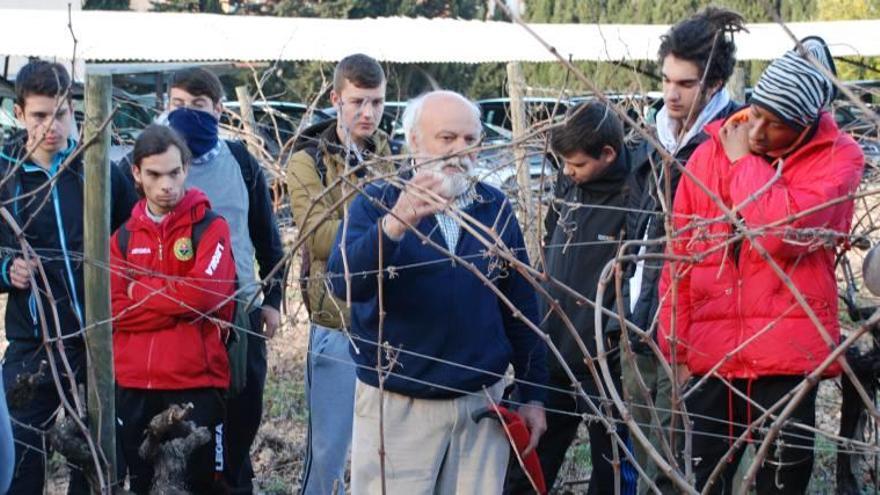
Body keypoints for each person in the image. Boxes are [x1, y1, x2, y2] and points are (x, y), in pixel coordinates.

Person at [659, 36, 864, 494]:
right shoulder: (711, 149)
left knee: (781, 484)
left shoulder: (838, 159)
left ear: (808, 123)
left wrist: (742, 164)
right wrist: (674, 344)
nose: (756, 133)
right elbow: (681, 256)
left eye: (775, 125)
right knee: (695, 481)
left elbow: (779, 233)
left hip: (786, 359)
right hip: (712, 355)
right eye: (756, 114)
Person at [327, 90, 547, 494]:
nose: (460, 151)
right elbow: (343, 282)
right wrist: (394, 225)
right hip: (399, 407)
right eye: (447, 138)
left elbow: (520, 304)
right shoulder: (377, 202)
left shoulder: (491, 206)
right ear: (414, 141)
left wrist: (533, 392)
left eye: (470, 140)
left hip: (480, 405)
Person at [121, 67, 285, 493]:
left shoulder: (241, 162)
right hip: (164, 331)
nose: (186, 113)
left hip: (238, 317)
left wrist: (273, 299)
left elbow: (268, 240)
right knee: (172, 445)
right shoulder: (142, 165)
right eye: (177, 104)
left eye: (198, 105)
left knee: (236, 428)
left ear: (218, 110)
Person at [607, 8, 744, 492]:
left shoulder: (734, 140)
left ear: (715, 81)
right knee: (644, 460)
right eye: (666, 79)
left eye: (685, 83)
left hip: (696, 330)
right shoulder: (652, 136)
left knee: (683, 464)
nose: (671, 93)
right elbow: (634, 225)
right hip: (640, 319)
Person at [0, 60, 137, 494]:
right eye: (40, 115)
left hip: (97, 341)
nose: (52, 126)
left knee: (96, 461)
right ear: (19, 114)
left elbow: (133, 234)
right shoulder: (6, 179)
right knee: (21, 459)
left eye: (61, 113)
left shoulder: (96, 169)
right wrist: (7, 270)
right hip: (32, 345)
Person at [505, 101, 636, 495]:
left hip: (603, 361)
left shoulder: (636, 193)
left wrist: (613, 337)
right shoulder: (570, 183)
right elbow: (551, 241)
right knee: (532, 458)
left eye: (577, 164)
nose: (567, 171)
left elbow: (637, 277)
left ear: (608, 155)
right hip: (554, 351)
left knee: (612, 467)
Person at [287, 53, 395, 494]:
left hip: (390, 322)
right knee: (329, 451)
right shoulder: (307, 161)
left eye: (376, 102)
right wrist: (384, 225)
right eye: (357, 102)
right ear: (336, 99)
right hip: (337, 320)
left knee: (382, 450)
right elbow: (320, 239)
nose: (367, 113)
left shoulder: (390, 154)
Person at [111, 124, 236, 493]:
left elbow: (203, 296)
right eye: (154, 174)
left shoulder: (211, 228)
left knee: (202, 486)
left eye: (174, 172)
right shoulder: (122, 238)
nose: (166, 184)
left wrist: (141, 291)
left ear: (186, 169)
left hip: (195, 385)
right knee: (142, 484)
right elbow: (116, 309)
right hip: (134, 386)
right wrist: (179, 304)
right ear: (136, 173)